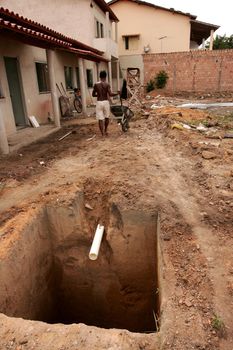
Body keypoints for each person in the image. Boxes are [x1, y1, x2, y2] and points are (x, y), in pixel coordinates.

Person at [92, 70, 119, 136]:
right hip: (106, 102)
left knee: (100, 119)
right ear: (105, 77)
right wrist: (117, 94)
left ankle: (102, 134)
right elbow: (110, 94)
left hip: (99, 102)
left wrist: (98, 95)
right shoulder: (107, 84)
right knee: (107, 117)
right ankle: (106, 130)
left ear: (100, 76)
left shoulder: (96, 84)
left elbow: (93, 94)